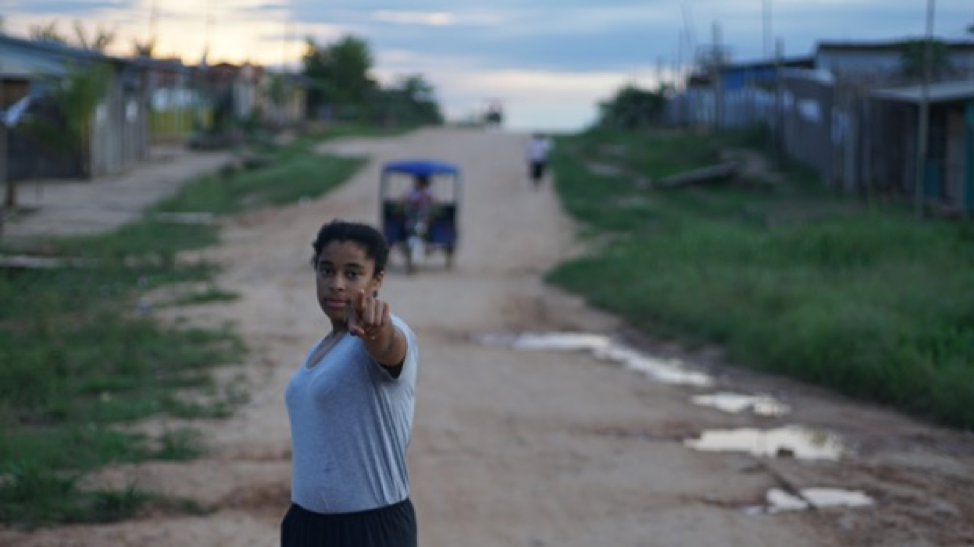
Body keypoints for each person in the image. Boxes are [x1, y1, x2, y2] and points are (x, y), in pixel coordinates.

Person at [282, 219, 419, 547]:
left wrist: (377, 329)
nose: (337, 284)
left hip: (369, 530)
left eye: (353, 273)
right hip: (306, 524)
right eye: (326, 270)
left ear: (377, 280)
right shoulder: (323, 347)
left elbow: (388, 347)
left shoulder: (384, 332)